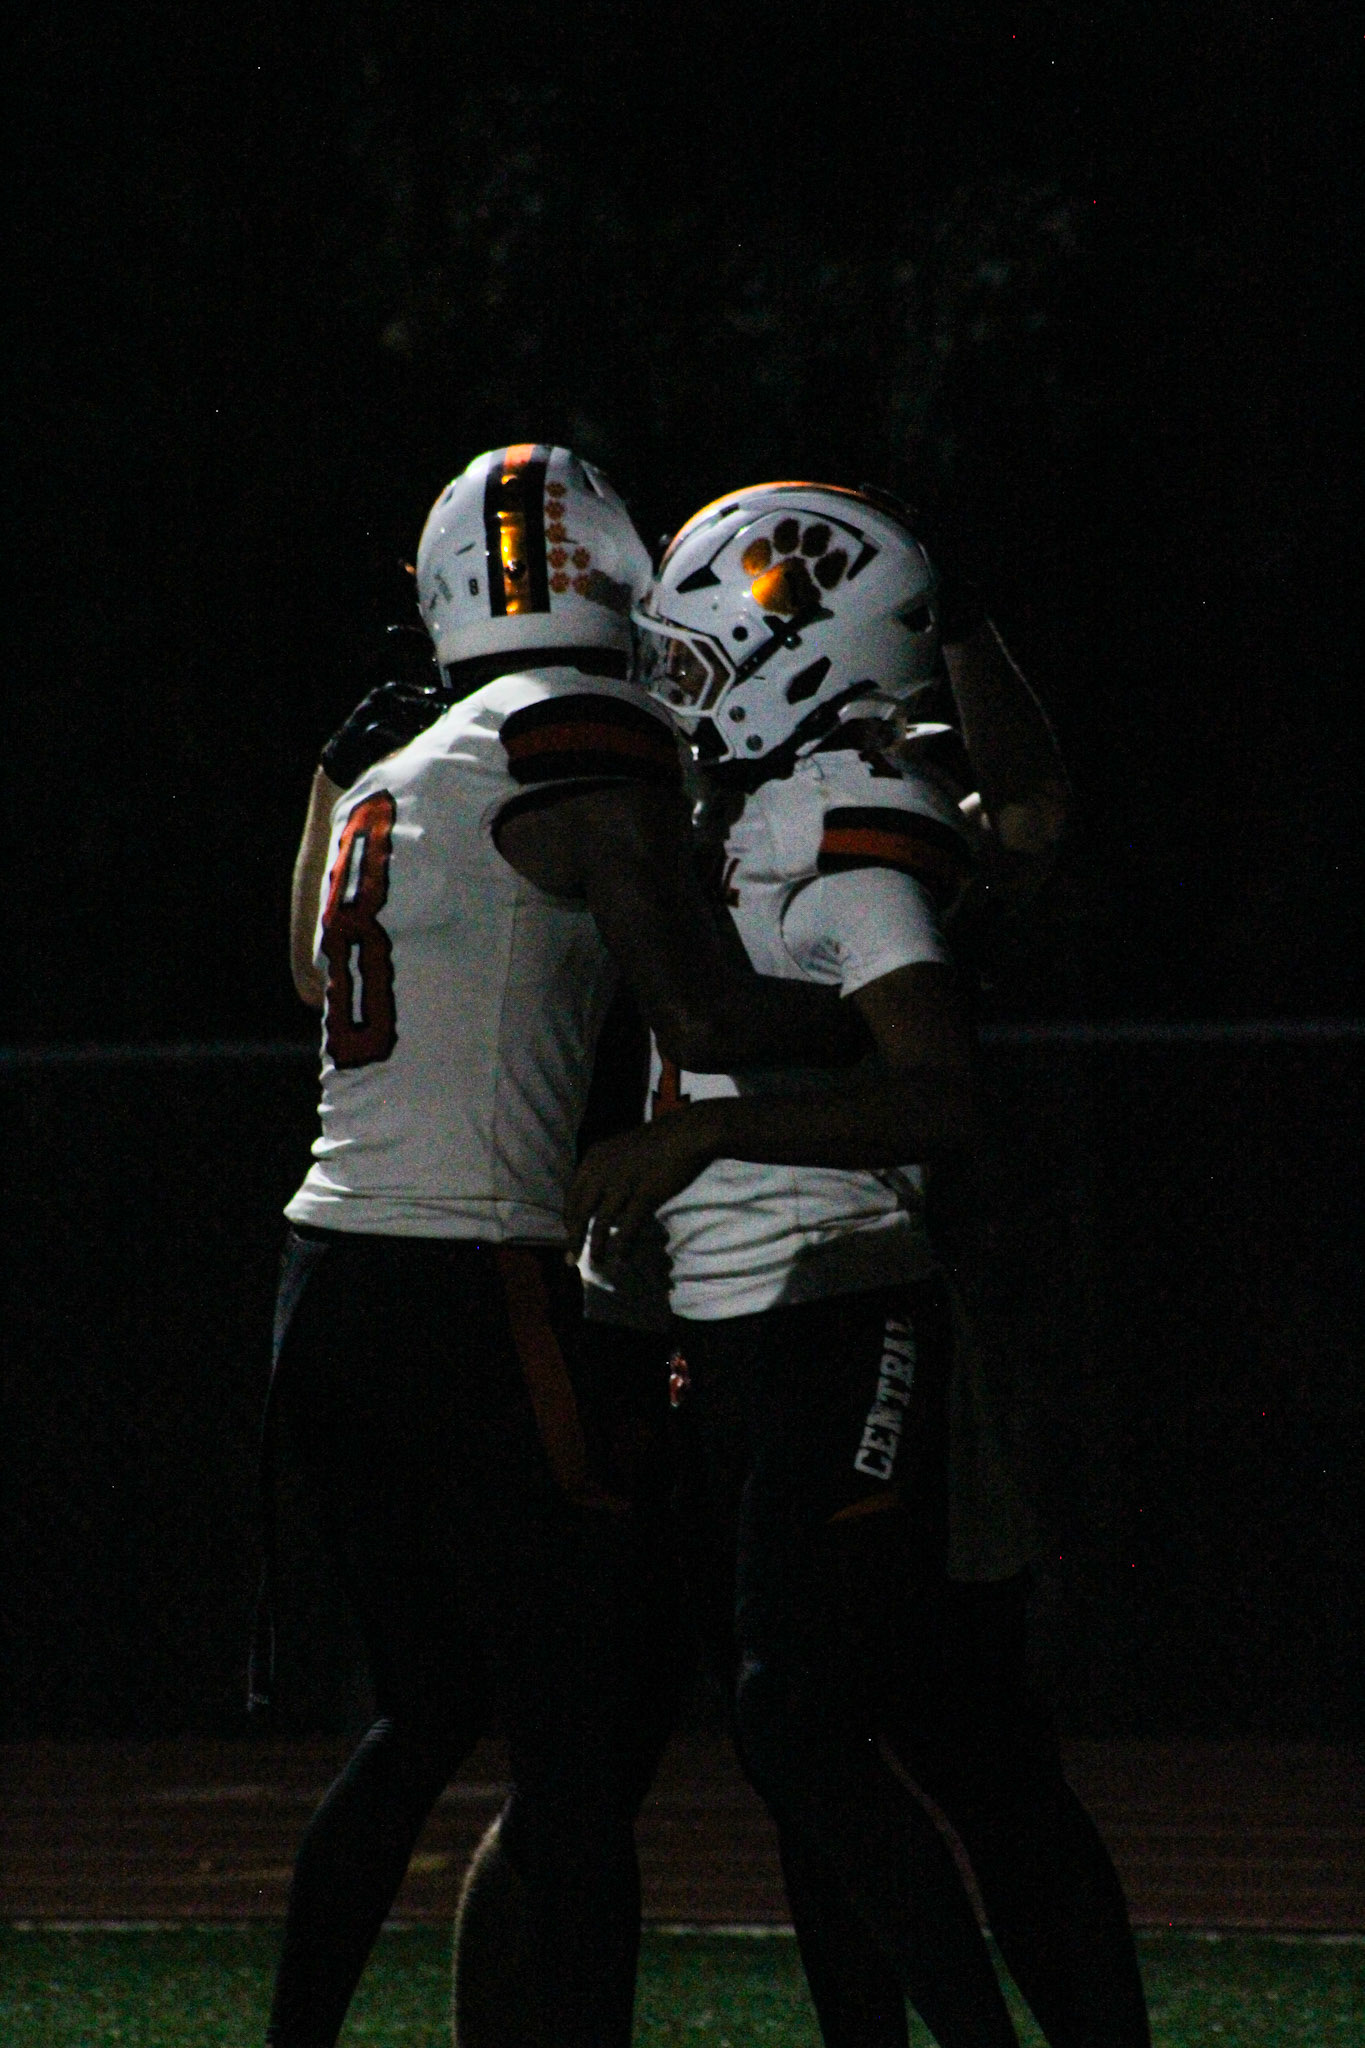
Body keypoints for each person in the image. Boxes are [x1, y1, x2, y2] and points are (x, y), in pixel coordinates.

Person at [262, 444, 870, 2048]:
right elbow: (703, 1013)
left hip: (323, 1272)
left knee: (419, 1716)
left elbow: (313, 976)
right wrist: (896, 1015)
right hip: (477, 1280)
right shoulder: (581, 735)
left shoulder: (401, 763)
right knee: (576, 1750)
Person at [568, 481, 1151, 2046]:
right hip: (739, 1324)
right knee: (918, 1742)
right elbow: (1024, 805)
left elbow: (939, 1092)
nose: (672, 684)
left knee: (813, 1725)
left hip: (842, 1307)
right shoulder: (773, 801)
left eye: (696, 656)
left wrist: (706, 1136)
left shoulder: (848, 825)